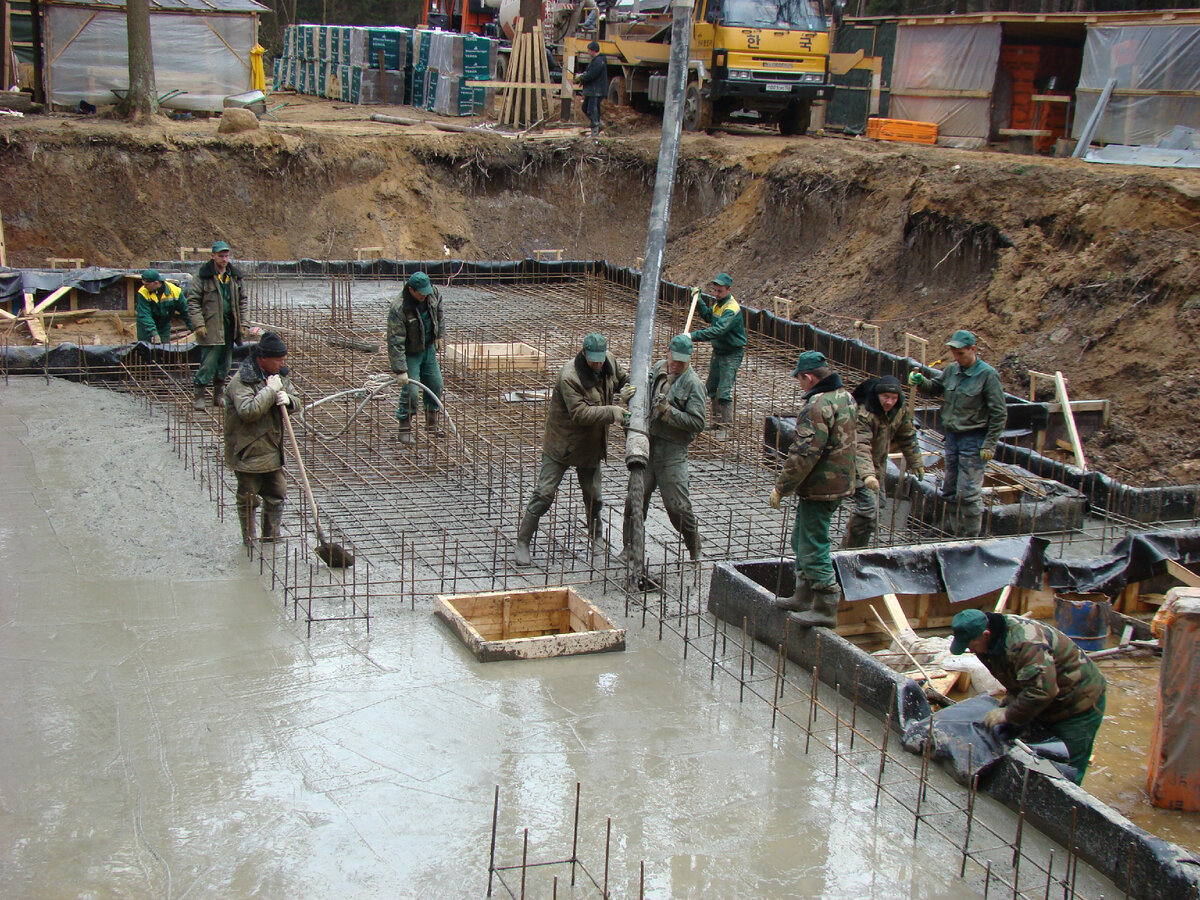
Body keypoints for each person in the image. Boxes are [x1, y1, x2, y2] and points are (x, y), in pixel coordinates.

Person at [949, 608, 1107, 785]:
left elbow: (1042, 691)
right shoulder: (987, 643)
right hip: (1046, 698)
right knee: (1037, 754)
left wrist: (1008, 714)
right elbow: (1015, 678)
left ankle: (1063, 808)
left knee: (1064, 769)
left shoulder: (1026, 643)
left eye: (970, 645)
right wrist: (1010, 704)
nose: (969, 650)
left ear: (985, 635)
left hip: (1078, 703)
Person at [515, 333, 633, 567]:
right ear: (583, 353)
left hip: (590, 445)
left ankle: (596, 537)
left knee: (593, 496)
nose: (598, 364)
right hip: (562, 445)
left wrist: (628, 388)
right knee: (544, 494)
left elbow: (623, 379)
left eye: (600, 360)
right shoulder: (569, 376)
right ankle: (523, 541)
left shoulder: (609, 362)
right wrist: (613, 411)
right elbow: (580, 413)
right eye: (593, 361)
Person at [769, 350, 856, 627]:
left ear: (808, 377)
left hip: (822, 487)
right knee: (801, 538)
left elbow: (804, 454)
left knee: (813, 545)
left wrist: (782, 488)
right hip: (838, 482)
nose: (800, 386)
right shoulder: (846, 397)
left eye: (800, 380)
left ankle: (826, 604)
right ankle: (803, 595)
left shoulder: (817, 406)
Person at [907, 330, 1007, 538]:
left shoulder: (987, 375)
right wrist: (921, 381)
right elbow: (936, 388)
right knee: (950, 489)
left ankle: (969, 536)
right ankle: (952, 528)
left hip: (974, 438)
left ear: (973, 350)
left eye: (960, 353)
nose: (956, 357)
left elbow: (999, 413)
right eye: (954, 353)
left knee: (968, 493)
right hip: (952, 436)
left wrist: (989, 444)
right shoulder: (952, 370)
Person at [622, 333, 706, 562]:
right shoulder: (659, 368)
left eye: (682, 361)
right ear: (667, 352)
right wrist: (628, 397)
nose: (676, 365)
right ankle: (629, 547)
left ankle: (693, 545)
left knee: (678, 508)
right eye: (674, 359)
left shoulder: (694, 385)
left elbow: (698, 423)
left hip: (672, 453)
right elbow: (641, 396)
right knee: (634, 501)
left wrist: (669, 412)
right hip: (650, 446)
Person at [223, 331, 296, 546]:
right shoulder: (241, 380)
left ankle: (271, 536)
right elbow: (248, 411)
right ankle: (249, 539)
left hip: (272, 447)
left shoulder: (279, 375)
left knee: (277, 493)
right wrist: (270, 391)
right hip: (248, 449)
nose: (283, 363)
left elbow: (297, 400)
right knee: (248, 498)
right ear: (262, 359)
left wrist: (288, 399)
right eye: (279, 359)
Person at [843, 374, 925, 549]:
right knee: (868, 507)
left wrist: (916, 462)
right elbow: (860, 446)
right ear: (877, 395)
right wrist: (867, 475)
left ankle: (858, 547)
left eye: (894, 398)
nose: (889, 402)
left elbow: (907, 436)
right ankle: (849, 550)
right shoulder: (865, 413)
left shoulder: (899, 411)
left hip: (877, 465)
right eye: (885, 397)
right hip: (856, 465)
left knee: (877, 507)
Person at [187, 240, 249, 411]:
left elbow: (243, 301)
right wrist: (198, 323)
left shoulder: (234, 277)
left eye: (226, 256)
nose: (224, 259)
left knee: (225, 363)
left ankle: (219, 394)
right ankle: (199, 395)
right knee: (208, 363)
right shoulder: (202, 276)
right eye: (220, 256)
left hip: (229, 326)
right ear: (212, 256)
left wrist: (244, 322)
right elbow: (193, 302)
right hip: (211, 326)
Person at [386, 271, 445, 447]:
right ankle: (404, 428)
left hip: (427, 349)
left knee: (436, 385)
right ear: (411, 290)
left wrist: (438, 336)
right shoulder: (399, 308)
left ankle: (431, 423)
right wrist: (400, 370)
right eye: (421, 293)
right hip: (411, 353)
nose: (424, 295)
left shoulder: (432, 294)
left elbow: (439, 314)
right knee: (411, 391)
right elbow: (395, 341)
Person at [689, 273, 747, 435]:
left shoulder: (731, 309)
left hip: (731, 353)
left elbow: (719, 330)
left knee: (724, 391)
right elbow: (709, 316)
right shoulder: (719, 304)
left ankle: (727, 427)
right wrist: (698, 300)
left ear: (729, 289)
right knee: (712, 388)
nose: (716, 294)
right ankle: (716, 422)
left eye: (719, 291)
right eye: (714, 290)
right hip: (719, 351)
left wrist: (692, 336)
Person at [135, 269, 191, 345]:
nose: (144, 286)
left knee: (164, 351)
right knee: (146, 350)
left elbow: (186, 311)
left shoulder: (175, 292)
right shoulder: (143, 292)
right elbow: (145, 315)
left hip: (163, 325)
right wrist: (153, 333)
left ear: (156, 283)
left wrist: (194, 328)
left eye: (146, 284)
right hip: (146, 328)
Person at [576, 40, 608, 137]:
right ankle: (600, 125)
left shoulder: (598, 61)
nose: (588, 52)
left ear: (594, 51)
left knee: (592, 110)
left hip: (595, 90)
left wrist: (581, 77)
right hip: (593, 90)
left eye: (589, 50)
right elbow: (590, 73)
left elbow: (591, 75)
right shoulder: (597, 61)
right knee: (585, 108)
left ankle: (595, 133)